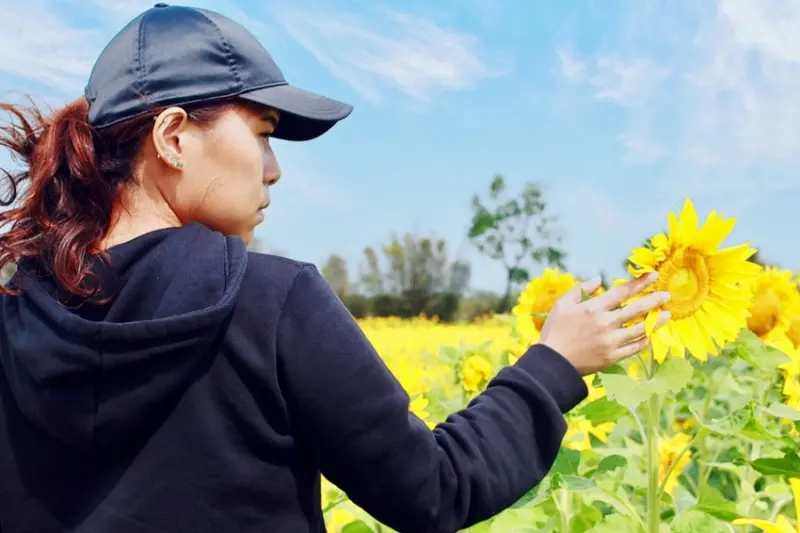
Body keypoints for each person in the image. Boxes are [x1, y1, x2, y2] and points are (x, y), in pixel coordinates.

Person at [0, 4, 671, 533]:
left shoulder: (14, 314)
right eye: (262, 133)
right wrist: (552, 365)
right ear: (174, 137)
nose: (274, 168)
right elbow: (434, 491)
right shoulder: (271, 303)